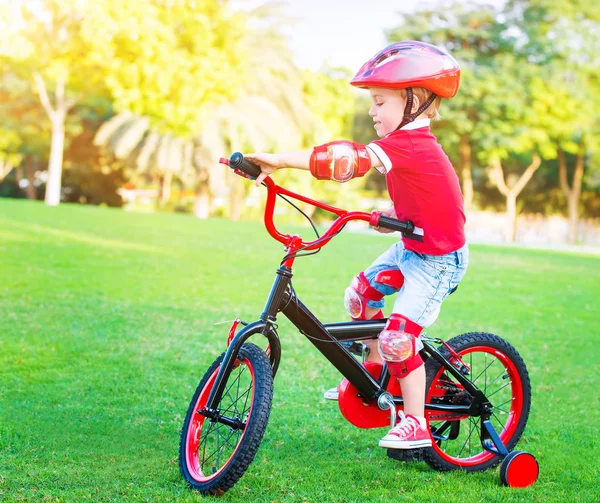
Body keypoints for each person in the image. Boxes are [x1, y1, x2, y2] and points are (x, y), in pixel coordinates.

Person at [246, 41, 468, 450]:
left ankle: (417, 421)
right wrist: (393, 215)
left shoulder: (412, 144)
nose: (372, 111)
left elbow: (345, 161)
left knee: (398, 338)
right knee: (360, 296)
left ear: (414, 101)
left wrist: (278, 159)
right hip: (412, 246)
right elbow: (426, 194)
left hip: (438, 260)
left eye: (380, 101)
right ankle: (374, 379)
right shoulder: (406, 147)